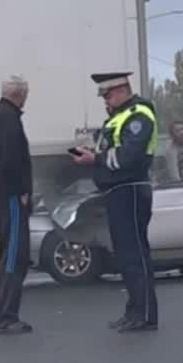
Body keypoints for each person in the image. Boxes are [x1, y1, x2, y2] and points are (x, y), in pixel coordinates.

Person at [72, 71, 159, 332]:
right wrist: (94, 155)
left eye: (108, 95)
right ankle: (134, 310)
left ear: (122, 90)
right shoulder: (120, 117)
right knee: (125, 255)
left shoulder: (138, 116)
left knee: (135, 255)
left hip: (130, 190)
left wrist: (95, 160)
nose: (105, 101)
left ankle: (143, 314)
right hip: (118, 191)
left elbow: (127, 157)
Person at [0, 75, 34, 334]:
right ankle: (7, 316)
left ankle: (6, 314)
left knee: (10, 253)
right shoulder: (8, 119)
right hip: (9, 196)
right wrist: (23, 190)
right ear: (20, 94)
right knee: (14, 256)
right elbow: (13, 160)